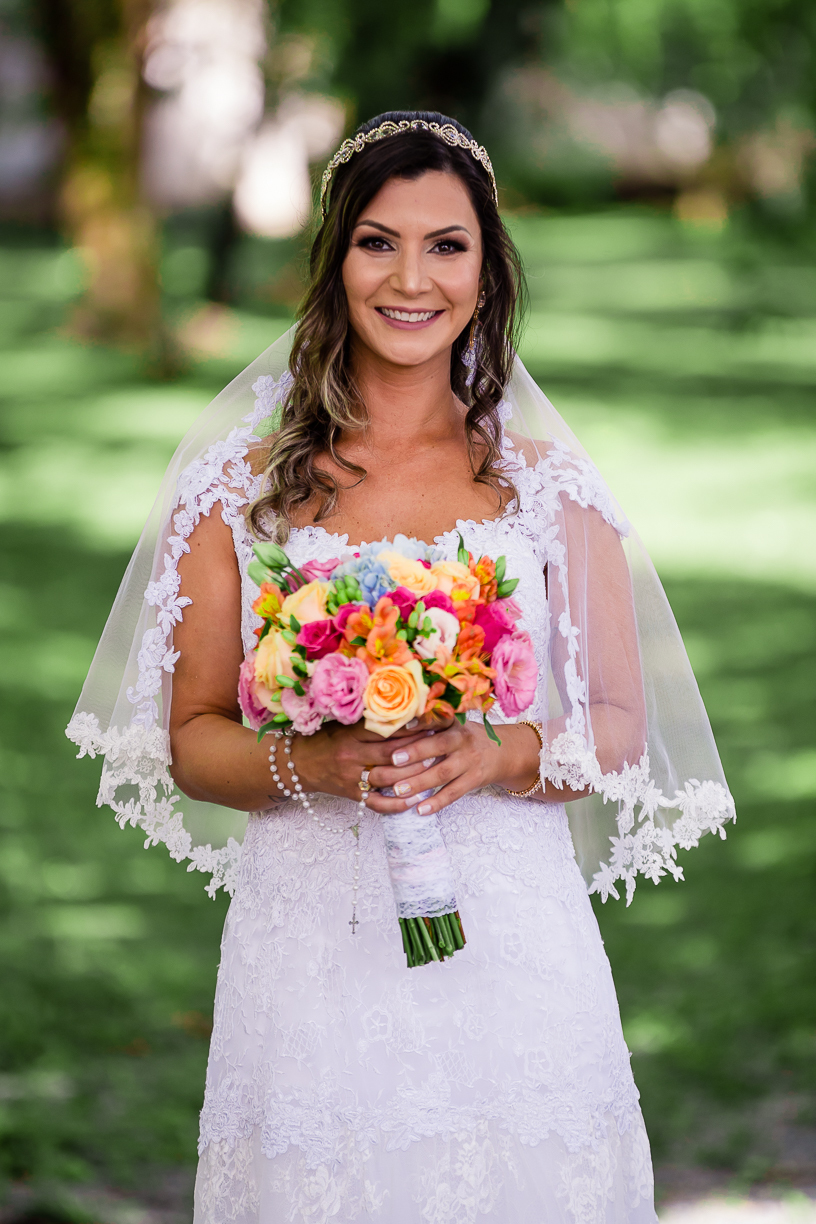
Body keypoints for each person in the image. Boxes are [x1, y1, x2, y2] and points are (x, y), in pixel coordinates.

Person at [68, 112, 735, 1223]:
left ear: (488, 268)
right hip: (311, 946)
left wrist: (500, 754)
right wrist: (313, 765)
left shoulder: (548, 489)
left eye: (448, 244)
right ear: (334, 261)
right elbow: (192, 738)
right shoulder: (239, 489)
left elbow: (618, 718)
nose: (411, 278)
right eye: (378, 242)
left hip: (514, 935)